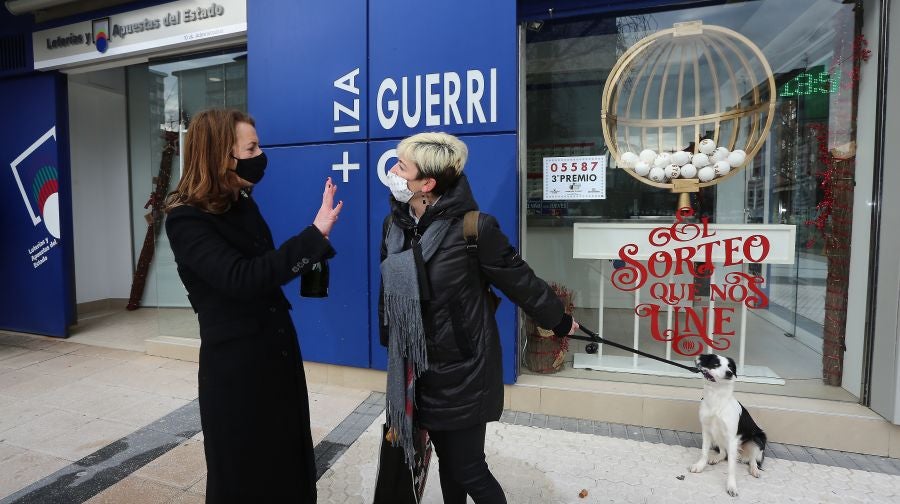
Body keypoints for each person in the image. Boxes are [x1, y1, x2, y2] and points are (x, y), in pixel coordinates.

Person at [379, 132, 578, 503]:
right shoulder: (396, 226)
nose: (392, 171)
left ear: (427, 183)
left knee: (469, 467)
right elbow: (389, 294)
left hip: (463, 370)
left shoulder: (474, 228)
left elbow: (522, 281)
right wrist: (394, 341)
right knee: (447, 462)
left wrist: (560, 320)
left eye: (401, 166)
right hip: (414, 371)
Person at [164, 109, 342, 502]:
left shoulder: (242, 203)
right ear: (221, 155)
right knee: (247, 476)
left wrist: (312, 249)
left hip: (276, 356)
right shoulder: (185, 221)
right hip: (238, 372)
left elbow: (265, 265)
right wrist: (313, 236)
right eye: (252, 147)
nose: (261, 154)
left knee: (288, 466)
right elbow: (241, 279)